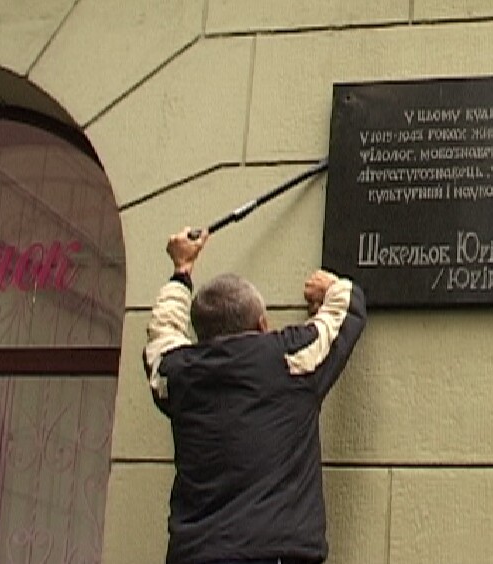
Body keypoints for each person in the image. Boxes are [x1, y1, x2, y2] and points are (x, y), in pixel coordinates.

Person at [143, 227, 367, 564]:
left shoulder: (177, 373)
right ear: (262, 324)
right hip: (274, 555)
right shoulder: (288, 360)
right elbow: (345, 311)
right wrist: (332, 287)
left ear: (201, 334)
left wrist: (181, 270)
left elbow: (163, 330)